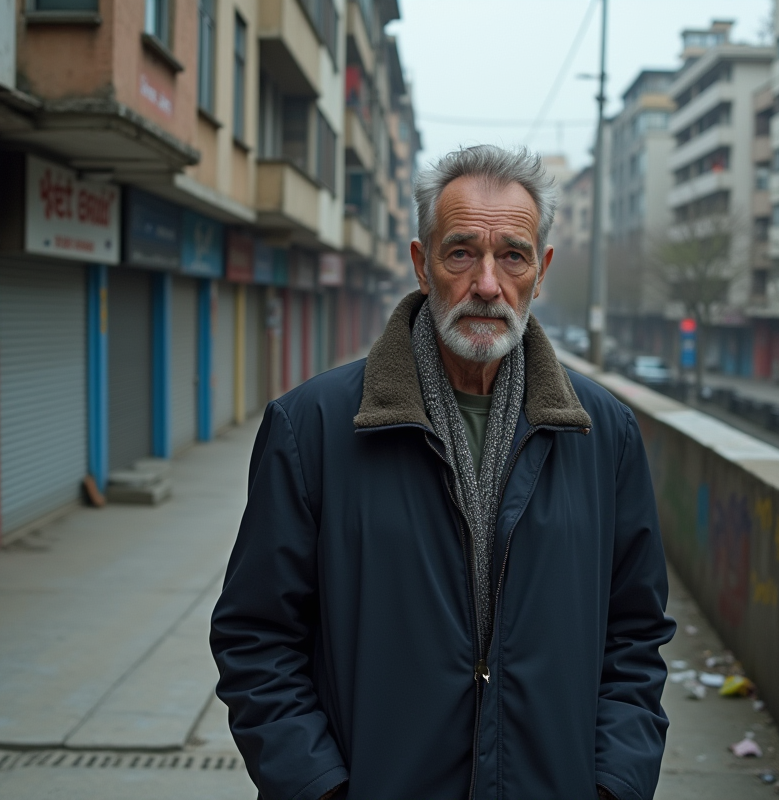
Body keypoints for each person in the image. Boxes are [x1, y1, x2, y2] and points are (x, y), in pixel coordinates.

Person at [211, 145, 675, 800]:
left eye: (512, 255)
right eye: (461, 252)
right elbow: (256, 638)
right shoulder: (311, 427)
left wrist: (611, 784)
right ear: (421, 264)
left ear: (539, 272)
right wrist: (319, 787)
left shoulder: (604, 434)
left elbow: (635, 637)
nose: (487, 283)